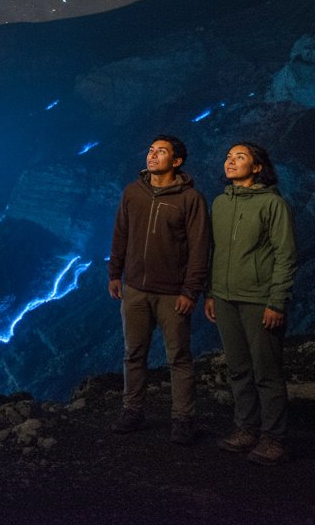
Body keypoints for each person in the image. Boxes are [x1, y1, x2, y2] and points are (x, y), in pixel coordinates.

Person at [107, 134, 210, 444]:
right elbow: (120, 234)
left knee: (178, 356)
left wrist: (190, 291)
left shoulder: (191, 199)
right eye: (151, 149)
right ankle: (132, 411)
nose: (152, 155)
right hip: (135, 289)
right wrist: (115, 273)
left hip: (172, 293)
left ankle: (183, 419)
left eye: (161, 152)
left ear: (176, 162)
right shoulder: (132, 193)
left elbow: (199, 247)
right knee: (133, 353)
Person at [205, 142, 298, 465]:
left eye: (240, 157)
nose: (230, 161)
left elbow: (286, 257)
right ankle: (246, 429)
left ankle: (274, 438)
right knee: (238, 368)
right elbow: (213, 251)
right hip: (226, 298)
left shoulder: (273, 205)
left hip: (259, 300)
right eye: (228, 156)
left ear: (257, 167)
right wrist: (211, 293)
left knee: (267, 371)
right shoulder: (219, 203)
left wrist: (277, 301)